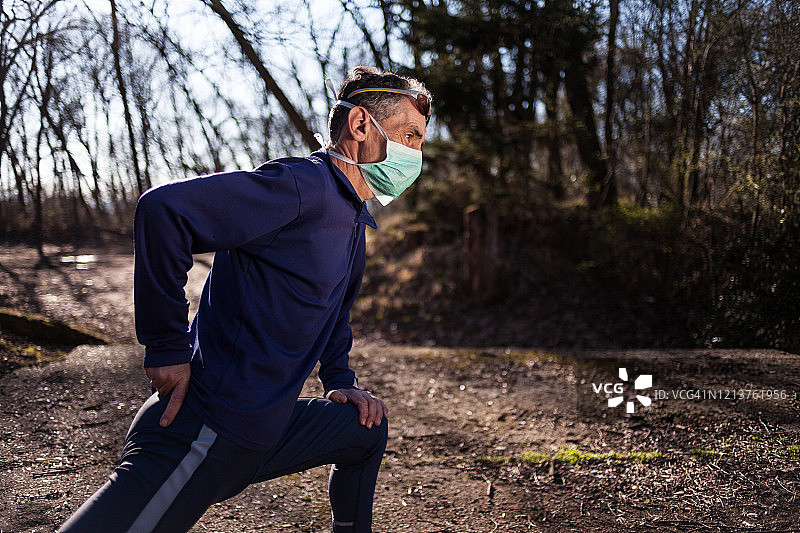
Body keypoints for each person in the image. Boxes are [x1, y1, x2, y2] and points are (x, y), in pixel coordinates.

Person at [58, 66, 432, 533]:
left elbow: (335, 313)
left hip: (264, 434)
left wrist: (340, 379)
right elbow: (163, 211)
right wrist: (167, 348)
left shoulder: (353, 221)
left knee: (364, 431)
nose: (416, 153)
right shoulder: (301, 187)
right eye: (410, 136)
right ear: (360, 126)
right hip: (202, 431)